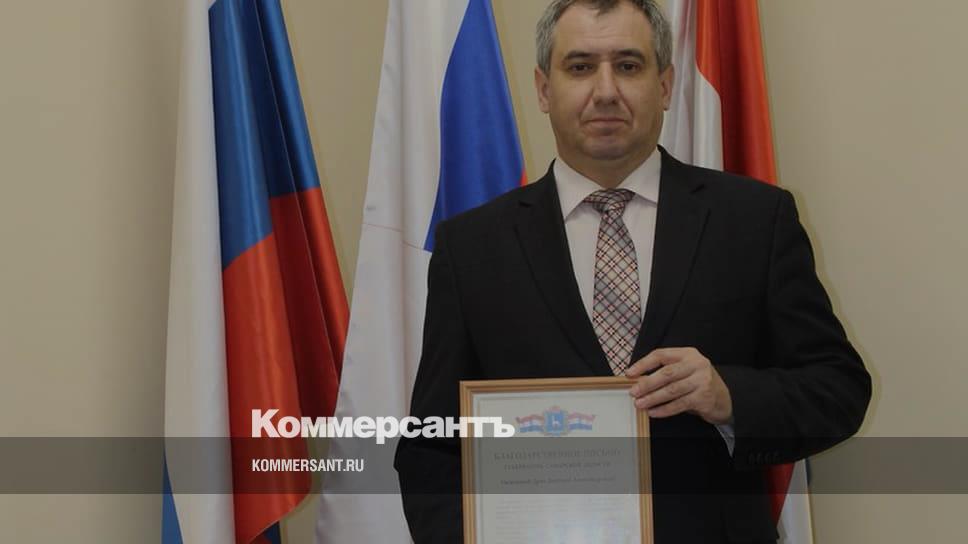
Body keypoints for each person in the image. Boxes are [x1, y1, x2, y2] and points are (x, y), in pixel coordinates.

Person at [394, 0, 872, 542]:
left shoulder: (755, 220)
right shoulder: (471, 246)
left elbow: (839, 390)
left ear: (664, 85)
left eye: (628, 65)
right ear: (544, 89)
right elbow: (432, 446)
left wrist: (728, 396)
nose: (605, 91)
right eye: (579, 67)